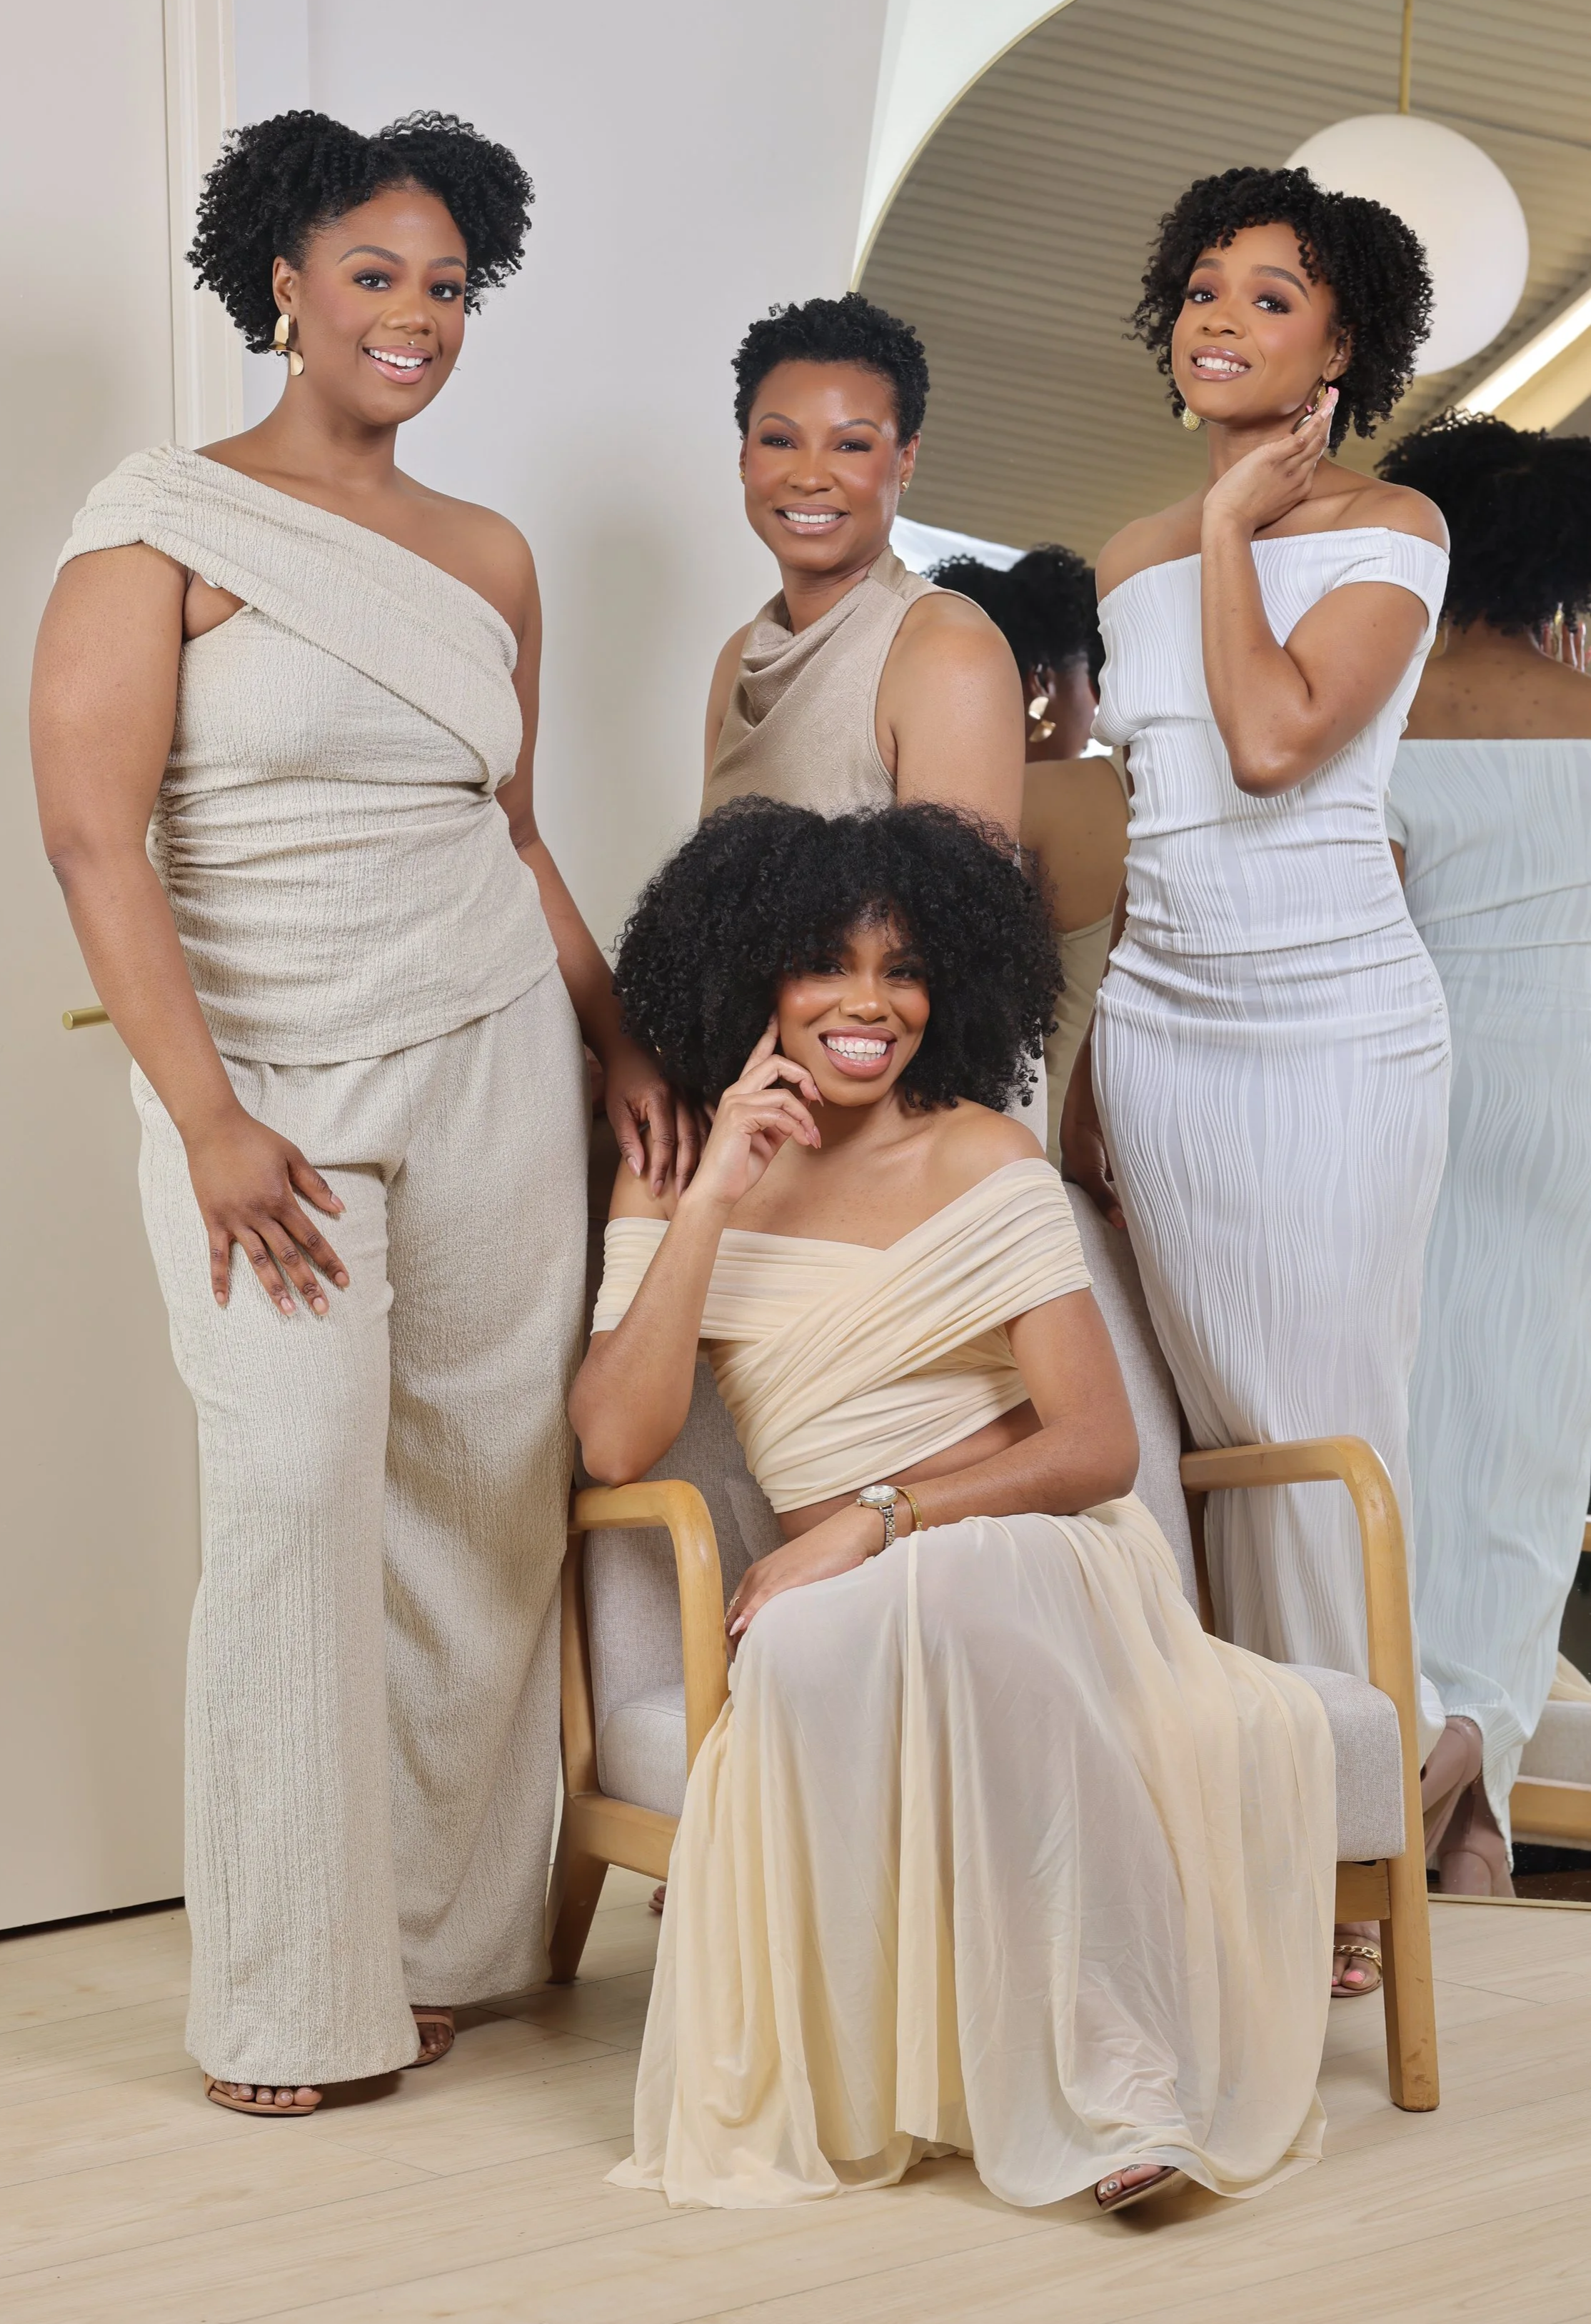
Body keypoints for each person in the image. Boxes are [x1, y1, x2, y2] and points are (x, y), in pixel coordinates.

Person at [30, 110, 686, 2118]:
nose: (415, 315)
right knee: (298, 1488)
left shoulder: (486, 555)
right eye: (375, 276)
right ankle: (285, 2000)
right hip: (269, 1082)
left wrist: (613, 1029)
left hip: (490, 1046)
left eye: (448, 284)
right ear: (284, 286)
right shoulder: (154, 522)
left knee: (483, 1500)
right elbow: (88, 836)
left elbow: (507, 823)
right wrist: (210, 1117)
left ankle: (442, 1942)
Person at [571, 800, 1337, 2216]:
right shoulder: (680, 1165)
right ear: (751, 977)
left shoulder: (982, 1151)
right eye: (827, 964)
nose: (870, 1003)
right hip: (865, 1590)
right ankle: (926, 2079)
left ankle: (1122, 2090)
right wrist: (710, 1202)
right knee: (796, 1652)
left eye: (904, 967)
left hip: (1038, 1547)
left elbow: (1096, 1447)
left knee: (919, 1599)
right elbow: (616, 1440)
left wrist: (877, 1511)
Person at [1059, 166, 1450, 2001]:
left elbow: (1278, 737)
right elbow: (1151, 823)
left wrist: (1232, 531)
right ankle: (1305, 1794)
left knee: (1319, 1429)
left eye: (1270, 295)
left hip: (1333, 1032)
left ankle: (1368, 1816)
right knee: (1218, 1445)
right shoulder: (1125, 553)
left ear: (1343, 341)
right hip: (1163, 1028)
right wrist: (1082, 1063)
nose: (1222, 317)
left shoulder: (1393, 527)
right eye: (1200, 287)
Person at [1377, 411, 1591, 1895]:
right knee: (1520, 1466)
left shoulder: (1381, 714)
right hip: (1570, 1103)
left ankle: (1404, 1772)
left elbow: (1358, 941)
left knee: (1398, 1433)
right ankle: (1472, 1800)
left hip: (1418, 1096)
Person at [700, 294, 1025, 836]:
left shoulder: (948, 652)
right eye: (780, 440)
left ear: (906, 460)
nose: (808, 477)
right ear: (743, 457)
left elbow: (955, 918)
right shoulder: (741, 656)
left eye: (850, 446)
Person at [930, 544, 1129, 1150]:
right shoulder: (1107, 796)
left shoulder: (936, 809)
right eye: (1081, 681)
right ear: (1042, 680)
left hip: (983, 1154)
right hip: (1100, 1154)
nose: (1090, 706)